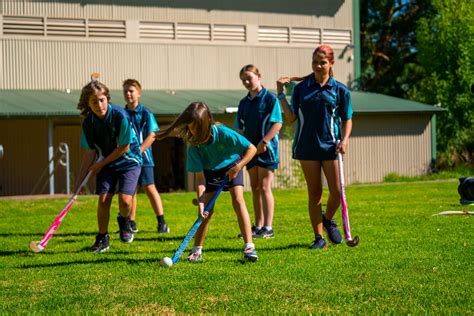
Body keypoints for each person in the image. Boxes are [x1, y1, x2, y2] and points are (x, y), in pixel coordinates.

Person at [156, 102, 259, 262]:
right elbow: (200, 178)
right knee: (206, 213)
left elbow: (252, 148)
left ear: (208, 122)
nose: (193, 132)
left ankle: (249, 246)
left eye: (197, 127)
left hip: (232, 165)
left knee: (238, 201)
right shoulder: (194, 146)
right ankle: (197, 250)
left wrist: (238, 167)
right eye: (191, 127)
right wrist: (201, 203)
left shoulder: (224, 133)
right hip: (211, 172)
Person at [276, 45, 353, 249]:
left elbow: (347, 118)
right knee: (315, 193)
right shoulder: (301, 89)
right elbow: (291, 118)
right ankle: (318, 238)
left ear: (331, 63)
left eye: (323, 62)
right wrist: (281, 95)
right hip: (307, 147)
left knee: (336, 191)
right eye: (315, 62)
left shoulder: (340, 90)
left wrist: (344, 140)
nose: (318, 66)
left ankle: (328, 219)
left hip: (331, 147)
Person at [76, 73, 142, 252]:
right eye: (94, 102)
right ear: (87, 104)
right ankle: (102, 238)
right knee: (104, 199)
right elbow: (89, 153)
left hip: (129, 161)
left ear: (107, 98)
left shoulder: (121, 116)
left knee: (125, 201)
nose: (99, 105)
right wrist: (79, 181)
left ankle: (124, 219)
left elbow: (124, 147)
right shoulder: (89, 123)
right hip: (107, 163)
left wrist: (99, 164)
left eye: (102, 100)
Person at [236, 65, 283, 238]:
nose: (247, 82)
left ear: (259, 76)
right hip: (251, 151)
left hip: (266, 150)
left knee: (264, 187)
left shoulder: (270, 99)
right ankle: (258, 226)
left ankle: (268, 228)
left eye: (249, 78)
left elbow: (278, 123)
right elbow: (240, 129)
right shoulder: (243, 103)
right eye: (243, 80)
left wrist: (265, 141)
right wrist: (242, 149)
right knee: (255, 187)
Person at [123, 79, 169, 234]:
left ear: (139, 93)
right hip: (128, 159)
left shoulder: (146, 113)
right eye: (125, 91)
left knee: (149, 188)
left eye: (131, 91)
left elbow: (153, 135)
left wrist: (140, 150)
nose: (128, 94)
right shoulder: (121, 113)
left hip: (144, 159)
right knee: (131, 190)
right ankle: (131, 222)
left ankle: (161, 222)